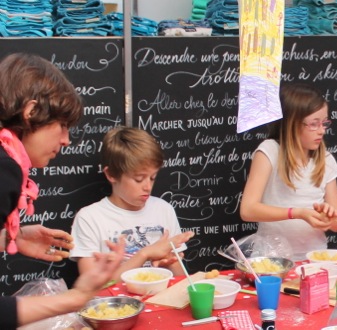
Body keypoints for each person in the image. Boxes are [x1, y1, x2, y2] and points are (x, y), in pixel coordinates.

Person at [0, 53, 125, 329]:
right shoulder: (5, 169)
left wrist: (14, 236)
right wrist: (75, 298)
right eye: (63, 126)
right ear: (31, 111)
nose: (67, 141)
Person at [70, 126, 193, 280]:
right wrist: (145, 254)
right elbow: (90, 287)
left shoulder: (164, 210)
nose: (147, 186)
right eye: (139, 179)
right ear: (111, 175)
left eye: (153, 178)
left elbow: (182, 280)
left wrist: (169, 263)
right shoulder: (89, 218)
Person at [239, 83, 337, 261]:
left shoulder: (326, 160)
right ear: (292, 124)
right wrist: (297, 213)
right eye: (313, 124)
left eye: (324, 123)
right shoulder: (269, 152)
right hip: (271, 260)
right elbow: (248, 210)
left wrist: (329, 217)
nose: (321, 130)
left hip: (315, 258)